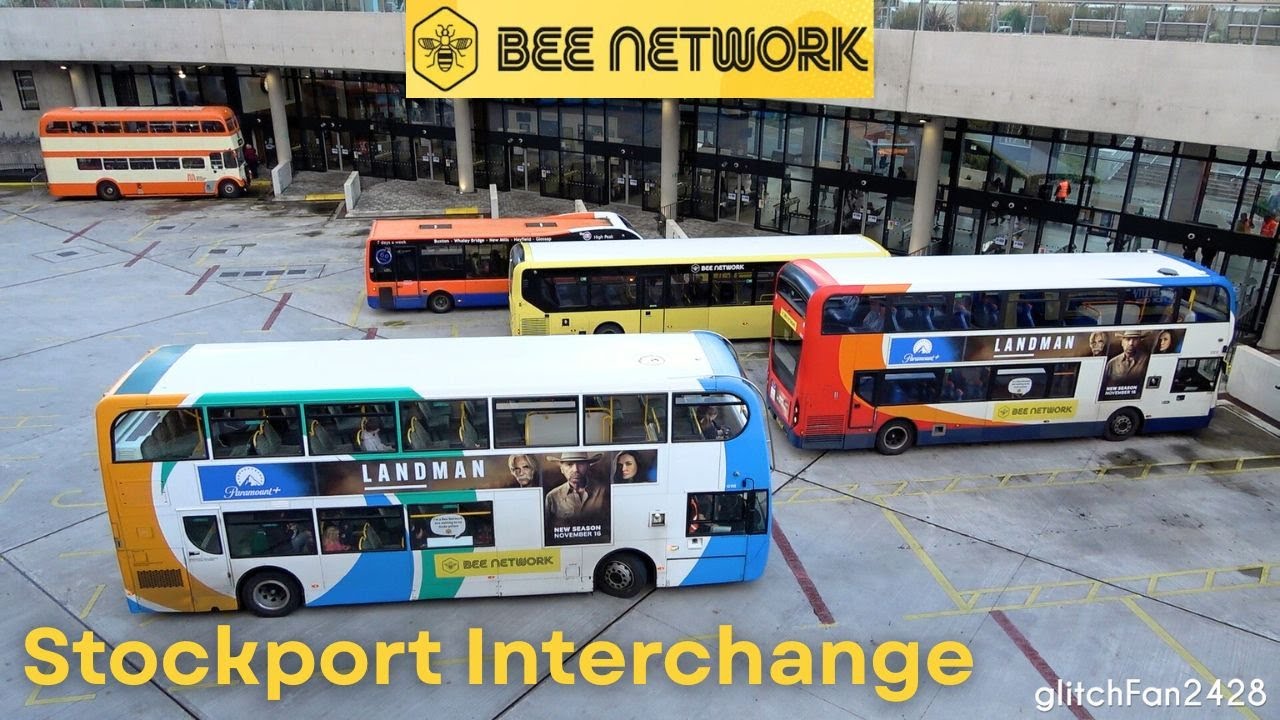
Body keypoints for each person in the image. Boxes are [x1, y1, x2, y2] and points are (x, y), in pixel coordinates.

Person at [544, 452, 609, 524]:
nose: (575, 469)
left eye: (580, 464)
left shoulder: (603, 491)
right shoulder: (552, 496)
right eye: (569, 464)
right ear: (562, 469)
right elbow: (547, 529)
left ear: (588, 467)